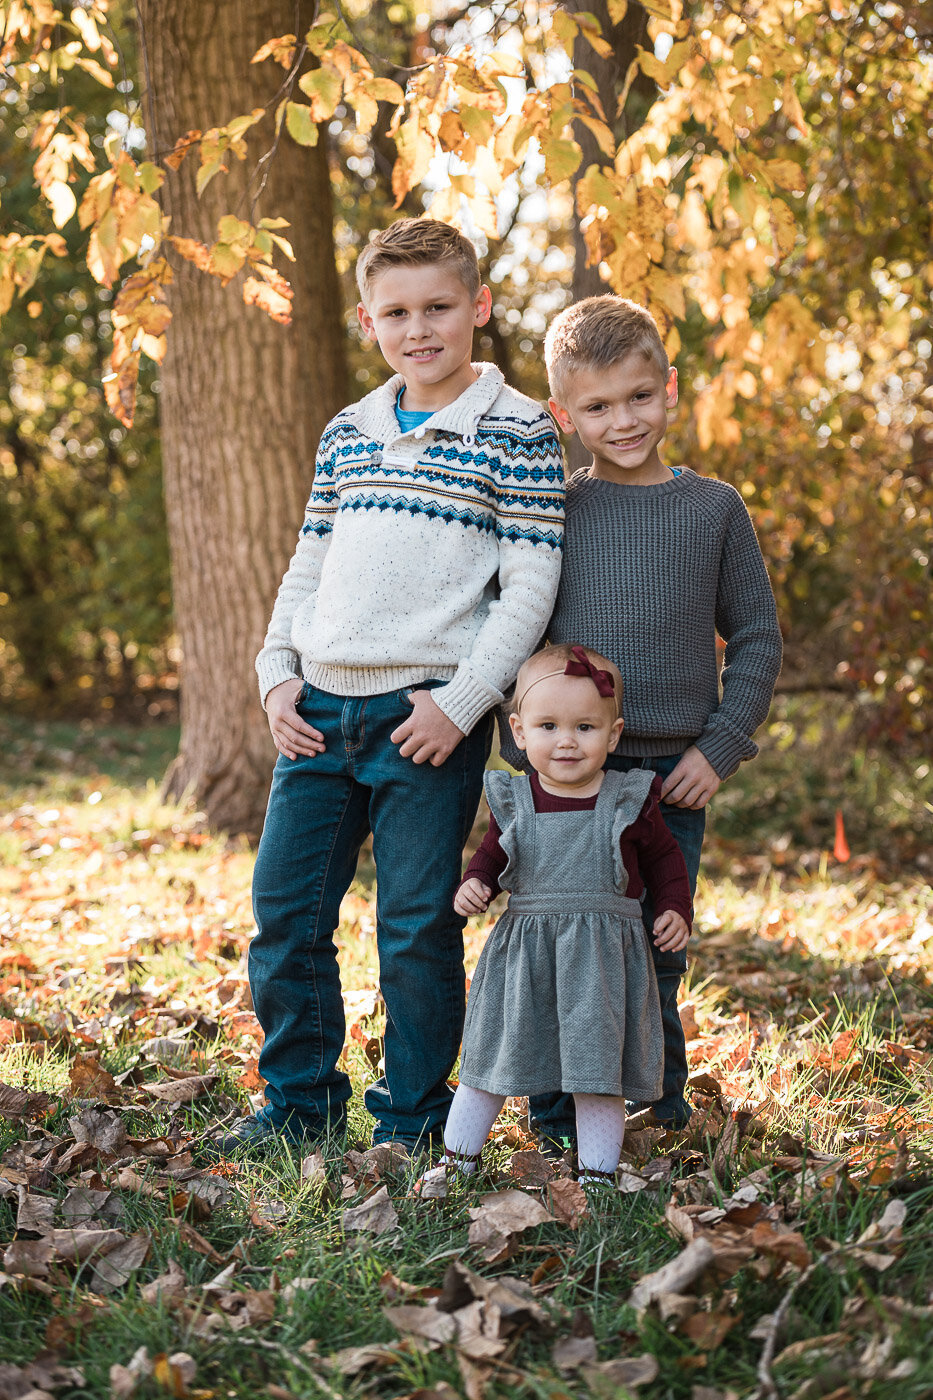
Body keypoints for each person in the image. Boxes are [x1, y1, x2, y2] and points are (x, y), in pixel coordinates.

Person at [209, 219, 564, 1156]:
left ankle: (410, 1119)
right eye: (396, 312)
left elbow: (530, 586)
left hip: (426, 717)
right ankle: (299, 1103)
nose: (419, 329)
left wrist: (464, 701)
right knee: (285, 920)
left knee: (413, 931)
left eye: (439, 307)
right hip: (318, 715)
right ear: (369, 321)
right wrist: (274, 677)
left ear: (477, 309)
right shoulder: (349, 431)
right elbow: (307, 566)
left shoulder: (519, 429)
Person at [514, 294, 783, 1145]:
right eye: (595, 407)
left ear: (669, 389)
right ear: (564, 415)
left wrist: (720, 745)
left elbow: (758, 637)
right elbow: (520, 638)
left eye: (638, 397)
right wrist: (524, 756)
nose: (621, 420)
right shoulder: (555, 510)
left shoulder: (713, 510)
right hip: (568, 774)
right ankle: (555, 1113)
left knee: (651, 948)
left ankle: (656, 1106)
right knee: (562, 945)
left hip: (671, 777)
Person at [420, 644, 692, 1187]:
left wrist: (674, 907)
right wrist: (476, 884)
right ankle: (457, 1162)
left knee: (597, 1071)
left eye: (585, 727)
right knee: (491, 1060)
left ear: (613, 736)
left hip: (601, 961)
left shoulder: (628, 800)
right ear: (519, 733)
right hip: (525, 953)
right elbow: (493, 855)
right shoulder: (517, 800)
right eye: (548, 725)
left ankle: (596, 1173)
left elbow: (666, 860)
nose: (566, 740)